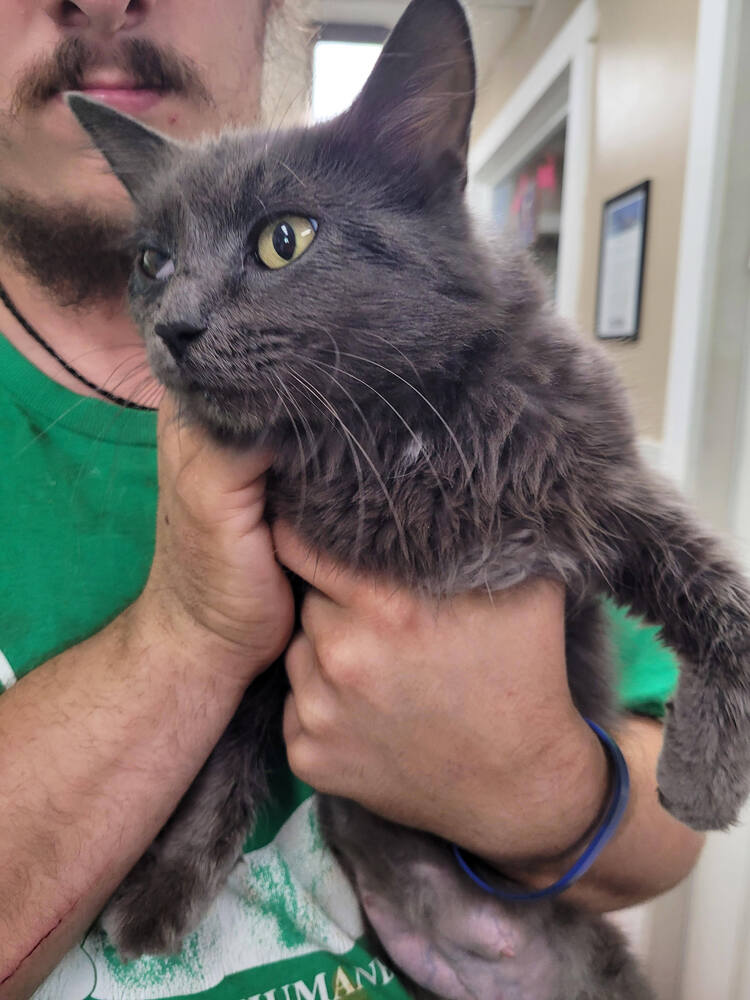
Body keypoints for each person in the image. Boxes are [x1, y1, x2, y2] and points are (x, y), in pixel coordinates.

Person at [0, 1, 704, 998]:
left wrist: (542, 785)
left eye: (278, 242)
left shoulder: (469, 390)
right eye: (156, 263)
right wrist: (190, 632)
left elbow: (677, 817)